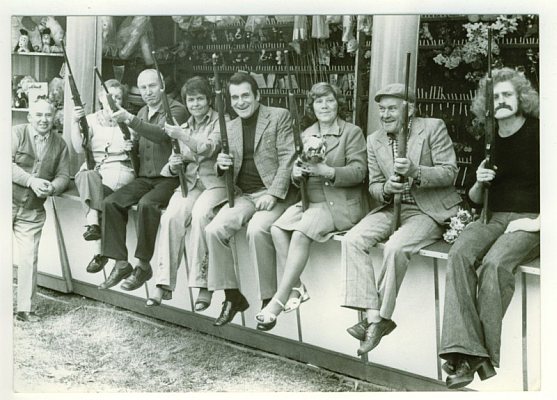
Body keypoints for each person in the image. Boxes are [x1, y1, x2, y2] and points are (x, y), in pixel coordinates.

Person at [341, 83, 461, 354]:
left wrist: (417, 172)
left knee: (395, 247)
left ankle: (379, 318)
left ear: (410, 109)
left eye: (392, 109)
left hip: (426, 211)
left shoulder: (432, 128)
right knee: (352, 240)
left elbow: (450, 172)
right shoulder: (374, 140)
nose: (385, 115)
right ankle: (375, 317)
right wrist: (386, 189)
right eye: (382, 109)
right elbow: (374, 185)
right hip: (392, 207)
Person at [438, 68, 540, 389]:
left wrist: (539, 222)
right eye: (495, 97)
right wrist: (480, 182)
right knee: (459, 254)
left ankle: (472, 358)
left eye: (507, 94)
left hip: (531, 220)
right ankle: (470, 353)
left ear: (521, 98)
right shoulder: (488, 139)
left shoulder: (540, 133)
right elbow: (473, 197)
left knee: (495, 265)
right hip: (492, 217)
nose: (501, 101)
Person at [255, 82, 367, 331]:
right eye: (319, 101)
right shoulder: (306, 134)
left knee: (300, 233)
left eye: (329, 100)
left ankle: (278, 300)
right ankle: (297, 287)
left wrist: (327, 171)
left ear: (338, 104)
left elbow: (360, 172)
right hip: (310, 202)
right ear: (312, 106)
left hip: (337, 203)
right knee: (276, 228)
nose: (324, 106)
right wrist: (296, 174)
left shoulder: (351, 132)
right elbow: (299, 172)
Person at [205, 72, 297, 326]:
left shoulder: (278, 116)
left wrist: (273, 193)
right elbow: (224, 164)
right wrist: (221, 165)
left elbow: (288, 158)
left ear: (257, 96)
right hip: (244, 195)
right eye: (235, 97)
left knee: (257, 229)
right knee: (213, 230)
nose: (240, 102)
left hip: (276, 193)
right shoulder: (230, 126)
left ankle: (268, 301)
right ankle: (232, 296)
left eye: (245, 95)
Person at [96, 69, 187, 291]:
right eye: (143, 87)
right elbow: (143, 144)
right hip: (145, 178)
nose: (148, 92)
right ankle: (121, 263)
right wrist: (132, 146)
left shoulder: (177, 109)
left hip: (170, 178)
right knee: (111, 202)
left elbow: (161, 134)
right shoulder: (143, 111)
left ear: (162, 86)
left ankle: (143, 266)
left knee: (147, 204)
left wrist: (130, 119)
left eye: (152, 86)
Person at [147, 76, 227, 307]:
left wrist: (181, 136)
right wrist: (174, 165)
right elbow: (172, 165)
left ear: (209, 100)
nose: (195, 104)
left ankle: (203, 284)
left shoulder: (221, 122)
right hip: (191, 184)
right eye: (191, 100)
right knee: (171, 217)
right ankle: (163, 283)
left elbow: (208, 149)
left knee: (201, 216)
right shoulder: (183, 127)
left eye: (200, 99)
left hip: (215, 184)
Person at [12, 97, 70, 322]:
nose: (43, 119)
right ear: (29, 117)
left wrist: (53, 187)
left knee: (29, 257)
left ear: (54, 117)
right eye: (38, 114)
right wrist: (31, 181)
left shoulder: (60, 144)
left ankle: (25, 309)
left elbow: (63, 175)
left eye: (48, 115)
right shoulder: (16, 133)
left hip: (32, 210)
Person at [71, 79, 135, 273]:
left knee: (99, 195)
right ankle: (95, 230)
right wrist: (75, 123)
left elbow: (137, 154)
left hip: (119, 168)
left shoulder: (128, 121)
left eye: (118, 97)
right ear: (100, 98)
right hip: (95, 167)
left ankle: (98, 249)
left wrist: (131, 147)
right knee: (84, 175)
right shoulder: (90, 120)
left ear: (122, 100)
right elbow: (78, 148)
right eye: (109, 97)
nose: (113, 101)